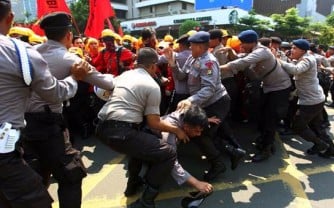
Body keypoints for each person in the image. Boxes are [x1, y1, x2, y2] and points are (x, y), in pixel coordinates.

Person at [21, 12, 115, 208]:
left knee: (37, 177)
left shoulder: (30, 52)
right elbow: (106, 82)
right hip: (49, 126)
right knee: (72, 174)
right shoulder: (69, 59)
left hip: (23, 125)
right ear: (69, 35)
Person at [0, 1, 88, 207]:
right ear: (11, 18)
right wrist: (75, 78)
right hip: (8, 147)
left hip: (22, 136)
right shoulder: (19, 52)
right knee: (67, 177)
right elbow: (55, 93)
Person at [96, 47, 189, 208]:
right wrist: (177, 130)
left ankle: (132, 186)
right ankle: (146, 201)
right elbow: (154, 123)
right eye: (157, 67)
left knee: (138, 148)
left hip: (101, 128)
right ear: (153, 66)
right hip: (122, 131)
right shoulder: (151, 86)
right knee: (168, 153)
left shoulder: (124, 75)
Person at [167, 31, 246, 181]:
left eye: (192, 46)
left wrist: (190, 100)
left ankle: (219, 163)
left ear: (201, 46)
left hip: (216, 103)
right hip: (203, 102)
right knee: (200, 133)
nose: (190, 48)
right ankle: (232, 152)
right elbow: (182, 76)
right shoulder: (193, 57)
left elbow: (209, 89)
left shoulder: (209, 62)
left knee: (200, 133)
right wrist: (173, 64)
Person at [220, 30, 292, 162]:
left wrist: (218, 68)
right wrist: (232, 54)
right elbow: (242, 58)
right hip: (268, 87)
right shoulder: (254, 51)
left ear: (251, 42)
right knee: (262, 116)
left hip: (280, 88)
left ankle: (266, 150)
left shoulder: (262, 51)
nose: (242, 46)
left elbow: (243, 62)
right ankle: (266, 141)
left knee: (270, 118)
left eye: (243, 43)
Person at [278, 39, 334, 158]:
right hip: (315, 98)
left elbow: (296, 70)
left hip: (311, 101)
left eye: (294, 48)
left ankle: (320, 144)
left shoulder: (307, 59)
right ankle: (332, 149)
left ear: (302, 50)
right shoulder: (304, 58)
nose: (292, 50)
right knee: (317, 126)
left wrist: (279, 60)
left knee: (298, 126)